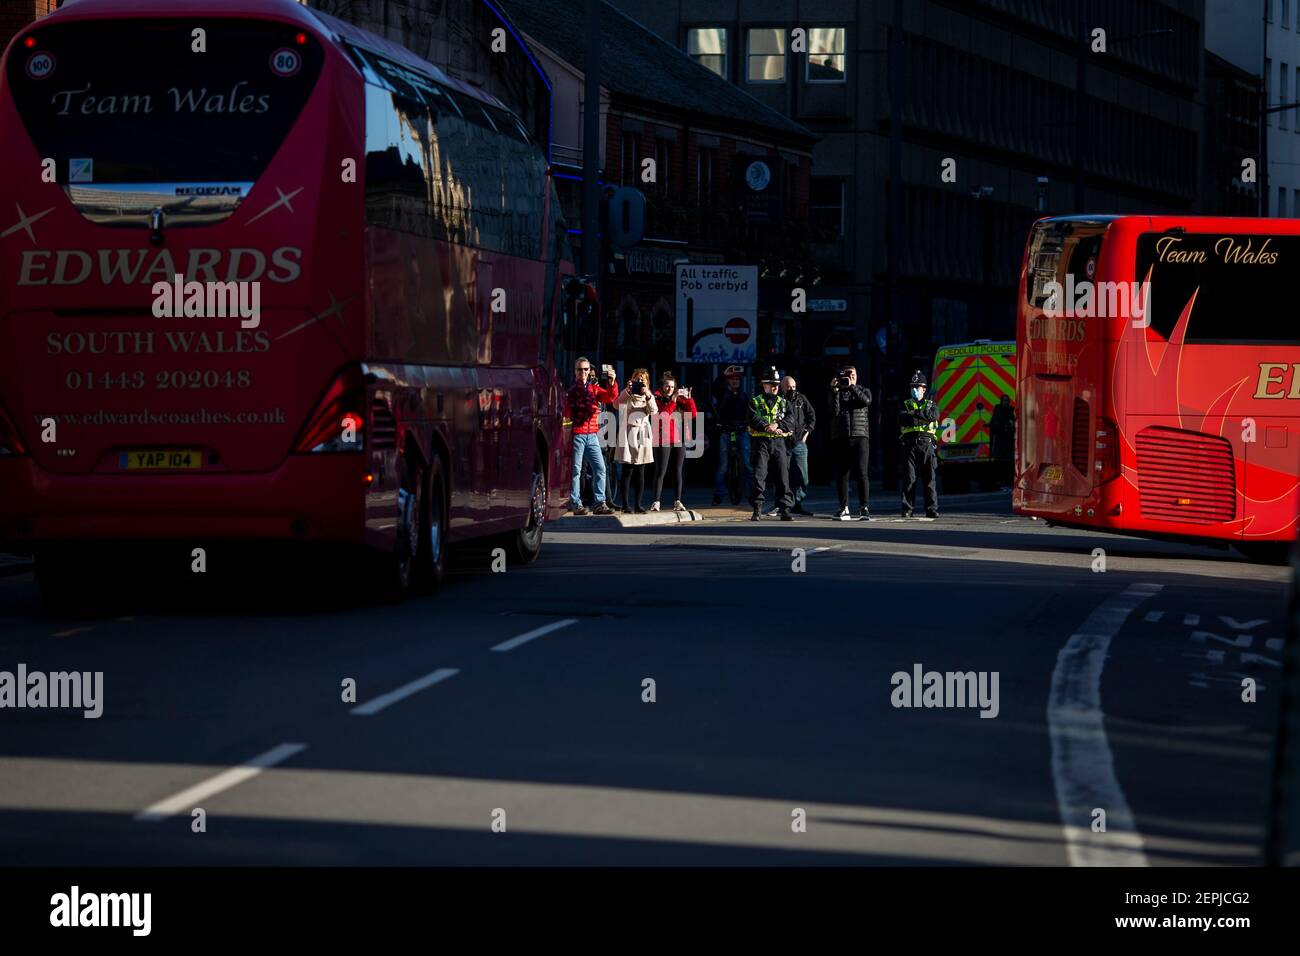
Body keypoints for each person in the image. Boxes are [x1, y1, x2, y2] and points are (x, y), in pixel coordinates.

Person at [565, 357, 617, 515]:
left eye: (586, 369)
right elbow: (566, 413)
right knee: (576, 471)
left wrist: (612, 382)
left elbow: (610, 397)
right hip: (578, 435)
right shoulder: (572, 390)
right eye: (580, 369)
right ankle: (575, 503)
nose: (583, 372)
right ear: (575, 371)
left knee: (601, 468)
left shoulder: (594, 389)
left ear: (589, 371)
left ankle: (600, 503)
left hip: (592, 435)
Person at [748, 366, 794, 521]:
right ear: (764, 384)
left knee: (783, 476)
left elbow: (791, 421)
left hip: (779, 442)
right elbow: (752, 418)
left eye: (776, 384)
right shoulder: (755, 401)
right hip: (761, 442)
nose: (774, 387)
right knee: (759, 476)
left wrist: (778, 425)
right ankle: (757, 508)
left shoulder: (784, 403)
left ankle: (785, 509)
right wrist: (766, 425)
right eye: (770, 383)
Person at [766, 375, 816, 516]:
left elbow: (812, 416)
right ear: (782, 387)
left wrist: (807, 433)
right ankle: (780, 504)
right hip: (783, 442)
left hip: (799, 442)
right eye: (788, 387)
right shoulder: (778, 400)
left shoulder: (801, 399)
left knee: (802, 476)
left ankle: (797, 503)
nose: (791, 390)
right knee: (782, 475)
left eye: (793, 387)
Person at [828, 365, 872, 520]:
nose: (850, 377)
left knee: (861, 473)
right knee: (842, 474)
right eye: (847, 375)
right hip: (841, 437)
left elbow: (866, 401)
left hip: (860, 436)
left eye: (853, 374)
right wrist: (835, 391)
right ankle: (844, 507)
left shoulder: (863, 390)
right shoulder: (838, 392)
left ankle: (864, 508)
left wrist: (852, 387)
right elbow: (833, 412)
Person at [651, 372, 696, 512]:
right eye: (667, 386)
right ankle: (656, 501)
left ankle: (677, 501)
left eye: (672, 387)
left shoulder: (680, 399)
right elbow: (664, 415)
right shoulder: (656, 398)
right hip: (663, 439)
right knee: (661, 471)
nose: (669, 389)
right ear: (662, 387)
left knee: (677, 471)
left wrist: (688, 399)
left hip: (679, 439)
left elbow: (693, 414)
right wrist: (673, 401)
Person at [899, 369, 940, 518]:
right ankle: (907, 509)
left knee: (929, 479)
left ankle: (931, 509)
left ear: (924, 389)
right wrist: (921, 416)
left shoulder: (931, 404)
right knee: (909, 478)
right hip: (909, 444)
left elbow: (933, 416)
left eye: (918, 387)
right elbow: (903, 418)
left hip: (926, 443)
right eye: (912, 387)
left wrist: (915, 414)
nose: (915, 390)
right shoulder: (905, 404)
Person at [616, 368, 657, 513]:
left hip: (643, 434)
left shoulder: (649, 395)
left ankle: (638, 504)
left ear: (647, 383)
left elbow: (654, 411)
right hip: (629, 433)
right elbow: (616, 405)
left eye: (642, 380)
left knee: (641, 471)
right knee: (628, 471)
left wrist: (647, 395)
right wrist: (627, 391)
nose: (639, 382)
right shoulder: (627, 393)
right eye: (637, 379)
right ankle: (626, 505)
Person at [711, 364, 752, 506]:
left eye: (738, 379)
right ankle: (718, 495)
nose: (735, 381)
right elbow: (714, 388)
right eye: (732, 379)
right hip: (726, 431)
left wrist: (749, 425)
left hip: (742, 431)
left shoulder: (744, 396)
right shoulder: (722, 393)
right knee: (723, 466)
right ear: (728, 381)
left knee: (747, 465)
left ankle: (752, 495)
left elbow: (751, 414)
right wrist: (723, 374)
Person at [989, 394, 1016, 488]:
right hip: (1000, 443)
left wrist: (1011, 427)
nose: (1006, 402)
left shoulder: (1011, 412)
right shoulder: (997, 412)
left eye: (1007, 401)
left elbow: (1014, 426)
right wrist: (1004, 429)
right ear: (1001, 401)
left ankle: (1008, 482)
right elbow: (994, 427)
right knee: (1000, 464)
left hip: (1009, 443)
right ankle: (1000, 482)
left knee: (1009, 464)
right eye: (1004, 400)